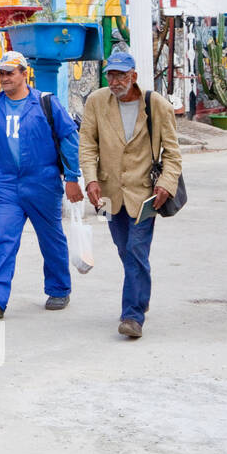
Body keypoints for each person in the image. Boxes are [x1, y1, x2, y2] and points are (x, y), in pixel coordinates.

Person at [79, 49, 182, 338]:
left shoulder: (156, 105)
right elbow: (87, 144)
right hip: (109, 193)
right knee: (125, 251)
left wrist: (165, 183)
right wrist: (90, 179)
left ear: (133, 76)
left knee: (137, 249)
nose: (114, 81)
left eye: (121, 75)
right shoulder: (97, 102)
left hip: (145, 195)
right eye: (110, 74)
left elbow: (173, 154)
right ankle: (141, 294)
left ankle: (132, 316)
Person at [0, 51, 84, 320]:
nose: (4, 78)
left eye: (10, 73)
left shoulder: (46, 103)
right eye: (1, 73)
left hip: (42, 182)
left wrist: (72, 177)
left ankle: (59, 288)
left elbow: (69, 138)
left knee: (51, 237)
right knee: (2, 238)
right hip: (6, 185)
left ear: (25, 74)